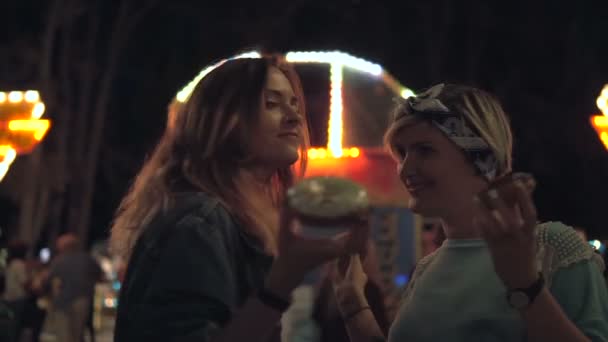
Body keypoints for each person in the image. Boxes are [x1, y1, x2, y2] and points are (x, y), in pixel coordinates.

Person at [110, 55, 366, 342]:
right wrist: (282, 281)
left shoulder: (230, 220)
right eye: (271, 104)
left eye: (295, 104)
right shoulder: (199, 223)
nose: (295, 117)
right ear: (224, 119)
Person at [331, 83, 608, 341]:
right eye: (402, 153)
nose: (405, 168)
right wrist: (354, 305)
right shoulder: (427, 269)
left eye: (424, 150)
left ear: (481, 158)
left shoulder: (552, 248)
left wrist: (525, 286)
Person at [42, 233, 102, 342]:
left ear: (64, 247)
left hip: (63, 302)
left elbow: (46, 279)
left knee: (64, 335)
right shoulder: (88, 259)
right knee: (77, 333)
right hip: (83, 299)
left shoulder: (59, 260)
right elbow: (100, 276)